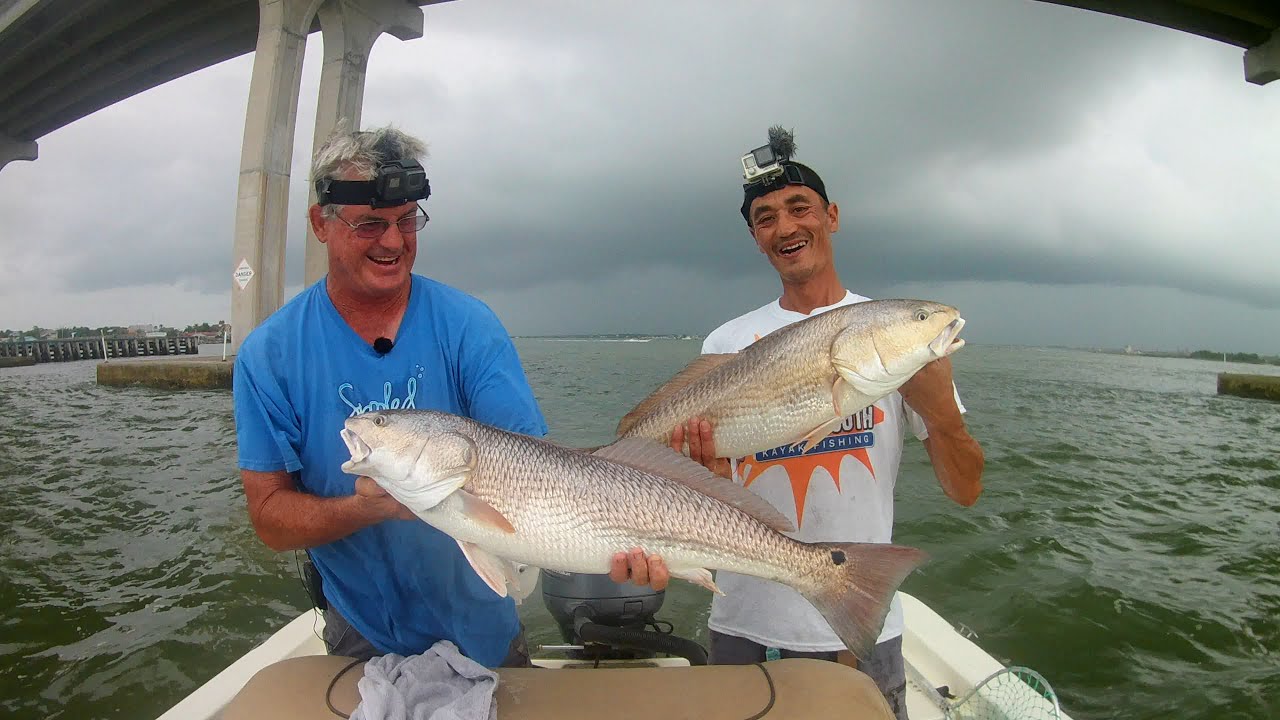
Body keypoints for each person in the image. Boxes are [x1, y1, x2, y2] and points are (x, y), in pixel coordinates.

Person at [667, 132, 985, 719]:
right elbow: (691, 494)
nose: (785, 227)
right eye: (766, 218)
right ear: (756, 238)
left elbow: (965, 491)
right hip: (746, 622)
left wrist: (944, 418)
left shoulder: (894, 337)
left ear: (830, 216)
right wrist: (697, 471)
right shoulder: (726, 343)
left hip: (862, 620)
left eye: (799, 208)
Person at [232, 125, 554, 668]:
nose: (392, 242)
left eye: (407, 221)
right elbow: (269, 518)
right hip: (360, 631)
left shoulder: (469, 325)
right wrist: (362, 509)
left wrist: (619, 544)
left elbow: (534, 473)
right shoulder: (270, 354)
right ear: (321, 224)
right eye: (370, 225)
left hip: (485, 624)